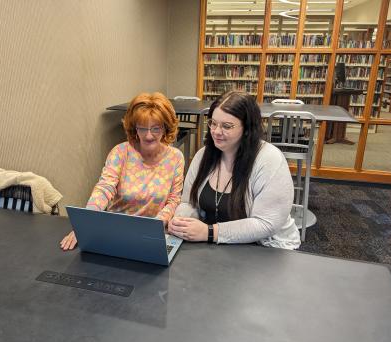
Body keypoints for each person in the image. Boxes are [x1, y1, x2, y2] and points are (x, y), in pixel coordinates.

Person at [168, 91, 300, 249]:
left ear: (247, 129)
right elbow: (189, 202)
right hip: (215, 245)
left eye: (226, 126)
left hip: (264, 248)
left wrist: (209, 232)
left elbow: (266, 224)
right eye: (213, 123)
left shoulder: (270, 160)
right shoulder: (203, 155)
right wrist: (181, 221)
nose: (216, 131)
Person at [60, 92, 185, 250]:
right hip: (116, 231)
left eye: (155, 128)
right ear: (134, 128)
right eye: (142, 128)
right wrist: (86, 224)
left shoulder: (175, 158)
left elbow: (174, 200)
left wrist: (156, 224)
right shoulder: (120, 152)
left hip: (152, 233)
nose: (148, 135)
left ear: (166, 128)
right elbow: (104, 188)